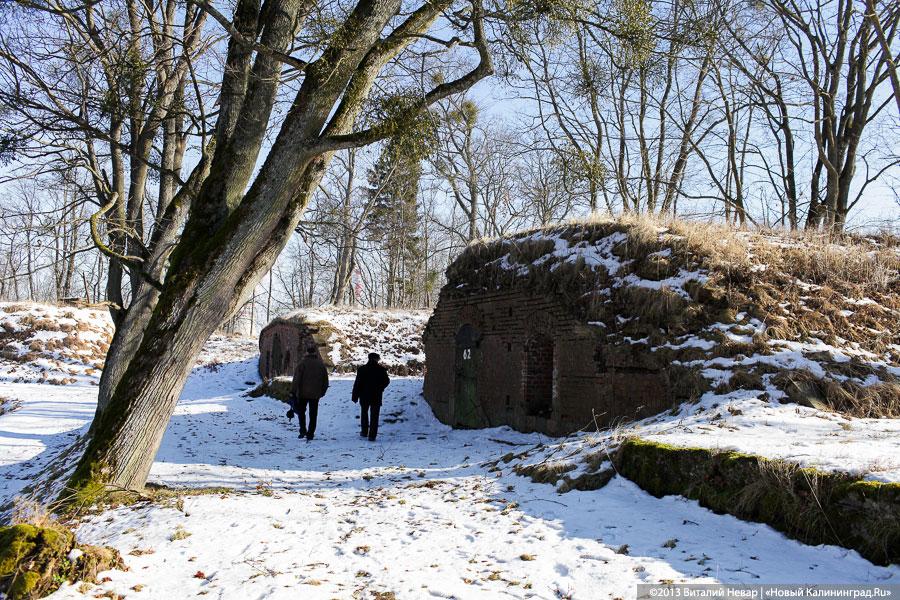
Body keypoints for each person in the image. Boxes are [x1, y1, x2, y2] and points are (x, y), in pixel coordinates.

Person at [289, 345, 329, 440]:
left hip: (302, 394)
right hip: (315, 394)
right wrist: (322, 392)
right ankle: (310, 433)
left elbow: (296, 380)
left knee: (301, 412)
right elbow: (325, 381)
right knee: (313, 414)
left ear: (307, 353)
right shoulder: (321, 365)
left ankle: (303, 430)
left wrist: (293, 392)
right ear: (315, 353)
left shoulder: (302, 364)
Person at [351, 353, 390, 441]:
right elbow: (387, 381)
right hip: (376, 395)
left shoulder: (362, 369)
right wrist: (380, 388)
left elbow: (357, 383)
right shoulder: (381, 370)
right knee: (374, 416)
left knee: (364, 413)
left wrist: (355, 396)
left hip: (364, 395)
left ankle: (364, 432)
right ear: (377, 359)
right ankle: (372, 435)